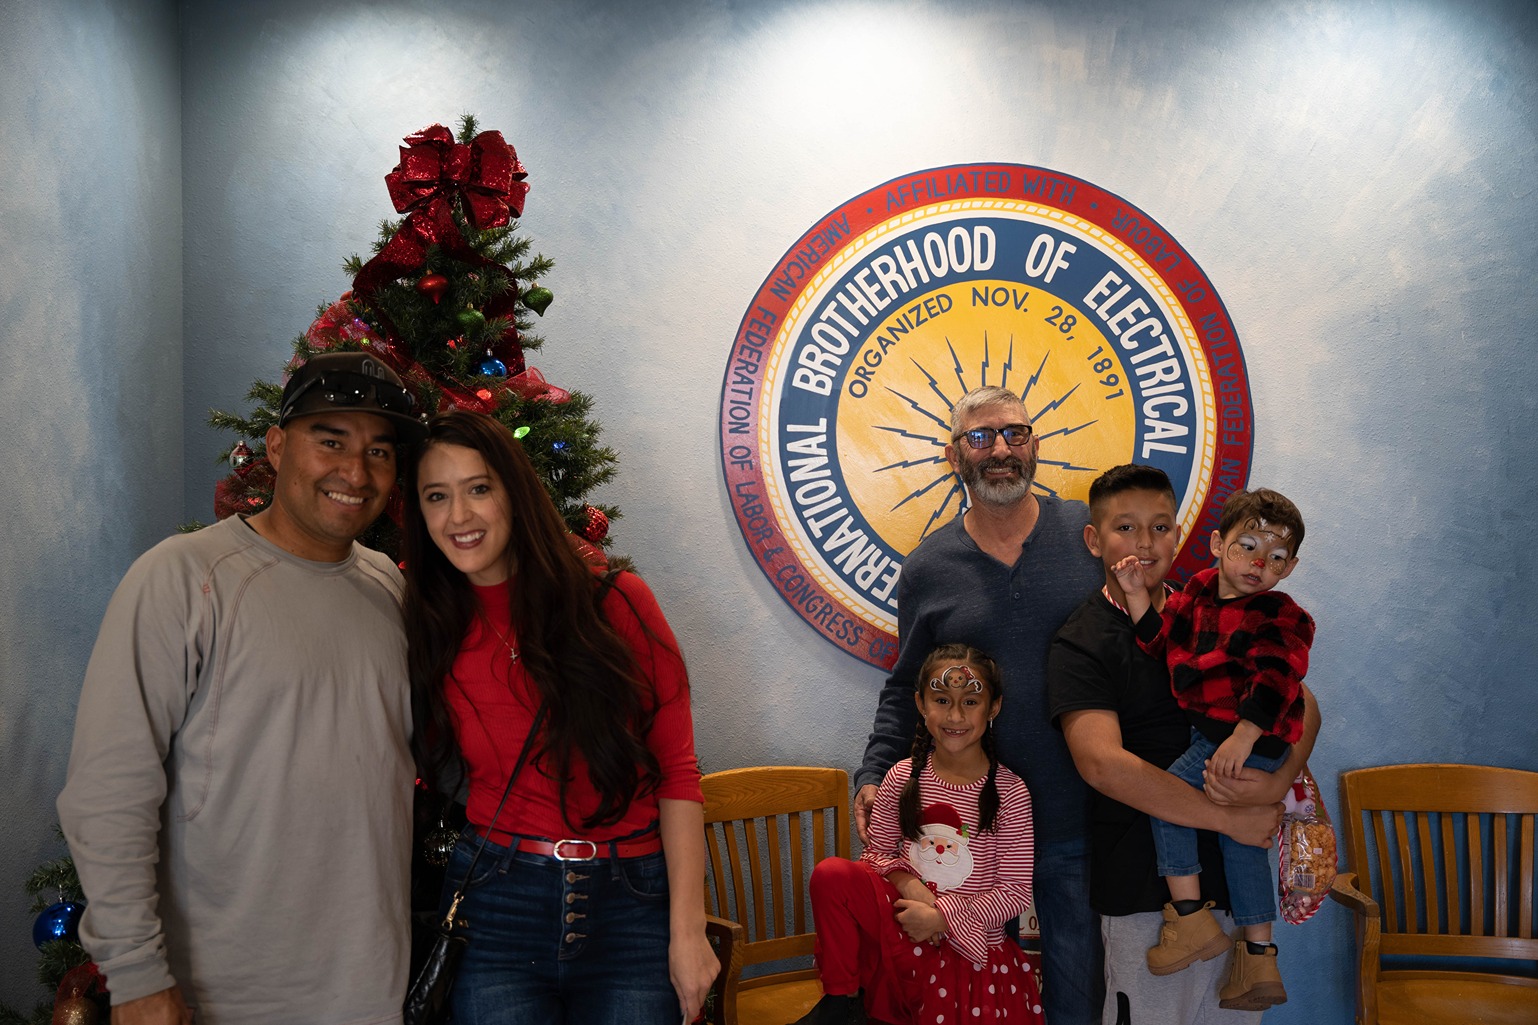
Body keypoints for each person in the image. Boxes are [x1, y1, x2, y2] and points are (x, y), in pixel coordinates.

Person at [57, 351, 427, 1024]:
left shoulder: (390, 588)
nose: (356, 472)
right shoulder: (183, 577)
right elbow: (109, 790)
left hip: (368, 991)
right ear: (277, 446)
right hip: (217, 995)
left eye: (378, 451)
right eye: (331, 441)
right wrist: (137, 976)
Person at [400, 410, 718, 1024]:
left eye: (478, 488)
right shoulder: (428, 625)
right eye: (436, 496)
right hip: (496, 902)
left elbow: (677, 772)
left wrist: (688, 930)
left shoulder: (616, 603)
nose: (458, 516)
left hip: (631, 903)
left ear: (515, 494)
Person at [854, 385, 1104, 1025]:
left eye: (1015, 433)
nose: (1001, 450)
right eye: (981, 436)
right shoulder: (928, 567)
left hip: (1080, 811)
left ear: (1035, 445)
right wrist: (874, 772)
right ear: (953, 455)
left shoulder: (1089, 535)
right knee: (978, 1000)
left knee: (1079, 992)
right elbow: (906, 685)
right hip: (972, 832)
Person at [1047, 465, 1318, 1024]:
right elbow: (1103, 765)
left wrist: (1274, 783)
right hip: (1147, 896)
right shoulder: (1083, 641)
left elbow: (1302, 702)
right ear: (1095, 540)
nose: (1145, 544)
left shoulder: (1214, 608)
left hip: (1237, 891)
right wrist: (1230, 818)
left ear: (1181, 534)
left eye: (1160, 527)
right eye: (1125, 528)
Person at [1112, 486, 1314, 1010]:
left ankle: (1190, 919)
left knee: (1168, 798)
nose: (1259, 563)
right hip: (1220, 735)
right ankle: (1259, 957)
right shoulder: (1199, 593)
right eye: (1248, 546)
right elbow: (1164, 644)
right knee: (1240, 843)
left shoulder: (1279, 614)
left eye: (1276, 557)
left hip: (1248, 737)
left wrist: (1244, 737)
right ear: (1218, 544)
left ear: (1290, 568)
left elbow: (1279, 679)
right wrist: (1137, 597)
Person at [797, 644, 1042, 1025]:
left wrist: (942, 917)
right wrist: (910, 885)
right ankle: (840, 1001)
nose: (955, 715)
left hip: (968, 956)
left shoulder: (1010, 793)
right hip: (902, 937)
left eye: (971, 702)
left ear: (993, 708)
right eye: (942, 700)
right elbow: (875, 855)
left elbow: (1013, 893)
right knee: (832, 874)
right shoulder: (900, 777)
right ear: (920, 704)